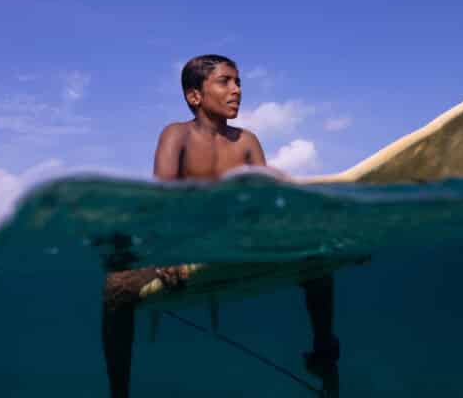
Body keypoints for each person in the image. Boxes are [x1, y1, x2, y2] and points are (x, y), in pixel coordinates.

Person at [102, 54, 339, 397]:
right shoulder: (176, 134)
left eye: (239, 82)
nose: (236, 90)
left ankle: (323, 354)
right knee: (115, 287)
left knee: (318, 256)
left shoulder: (247, 141)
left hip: (235, 241)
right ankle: (118, 391)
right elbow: (162, 200)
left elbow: (265, 201)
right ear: (194, 96)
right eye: (225, 82)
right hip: (183, 242)